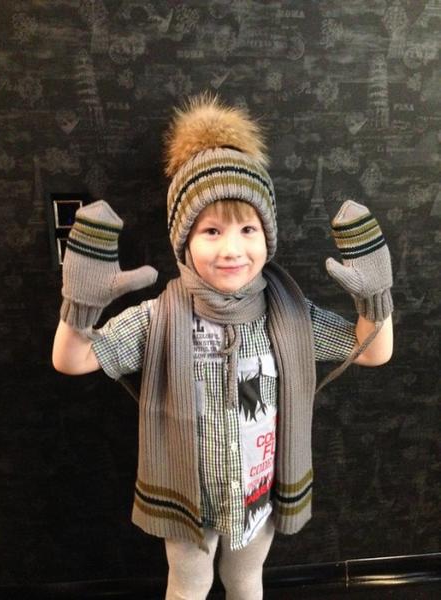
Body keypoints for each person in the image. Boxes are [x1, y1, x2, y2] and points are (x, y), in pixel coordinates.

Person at [52, 95, 393, 600]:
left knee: (245, 580)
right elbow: (72, 359)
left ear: (267, 236)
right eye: (211, 230)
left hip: (258, 493)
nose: (232, 249)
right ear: (184, 240)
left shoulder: (289, 315)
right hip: (187, 497)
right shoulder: (159, 318)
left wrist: (375, 300)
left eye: (248, 229)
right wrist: (81, 306)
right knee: (189, 583)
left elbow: (371, 350)